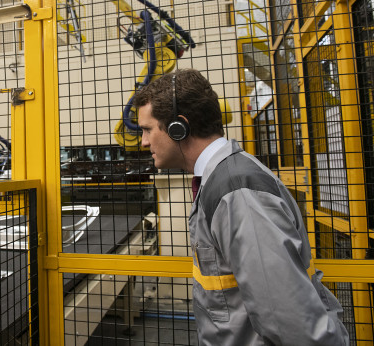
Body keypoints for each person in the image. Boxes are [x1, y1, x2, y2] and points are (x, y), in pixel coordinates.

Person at [133, 68, 349, 345]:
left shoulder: (237, 192)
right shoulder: (223, 181)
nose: (144, 142)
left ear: (179, 127)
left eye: (148, 130)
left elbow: (293, 325)